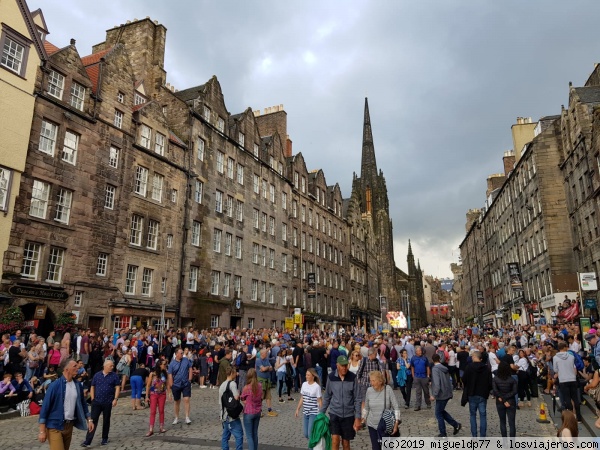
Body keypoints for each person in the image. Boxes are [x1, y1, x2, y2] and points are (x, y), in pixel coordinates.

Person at [38, 359, 93, 450]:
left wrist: (89, 420)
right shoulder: (54, 385)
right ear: (66, 369)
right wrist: (42, 431)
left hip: (69, 425)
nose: (77, 368)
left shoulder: (77, 385)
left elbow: (83, 403)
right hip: (54, 426)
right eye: (74, 366)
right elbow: (45, 408)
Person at [320, 355, 362, 450]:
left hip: (348, 415)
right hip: (335, 414)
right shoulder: (331, 378)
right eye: (342, 366)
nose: (344, 368)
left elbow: (358, 399)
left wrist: (358, 417)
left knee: (346, 443)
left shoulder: (352, 377)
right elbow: (327, 397)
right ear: (337, 365)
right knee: (335, 440)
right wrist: (321, 413)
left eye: (346, 365)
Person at [81, 359, 121, 447]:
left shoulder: (114, 376)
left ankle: (104, 438)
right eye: (110, 366)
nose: (112, 367)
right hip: (97, 401)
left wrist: (115, 399)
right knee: (93, 420)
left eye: (112, 366)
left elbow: (117, 387)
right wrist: (92, 398)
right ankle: (88, 440)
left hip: (108, 401)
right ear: (105, 366)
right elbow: (92, 386)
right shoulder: (97, 375)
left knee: (106, 420)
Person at [363, 371, 400, 450]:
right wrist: (363, 419)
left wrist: (396, 424)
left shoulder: (388, 389)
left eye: (373, 381)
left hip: (386, 426)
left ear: (380, 381)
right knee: (376, 448)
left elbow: (396, 407)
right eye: (370, 381)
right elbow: (366, 408)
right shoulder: (369, 390)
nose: (371, 383)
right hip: (372, 425)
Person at [462, 351, 492, 438]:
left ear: (475, 357)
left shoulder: (469, 367)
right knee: (483, 415)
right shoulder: (486, 368)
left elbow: (464, 379)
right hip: (482, 394)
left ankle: (474, 436)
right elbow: (490, 382)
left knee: (472, 415)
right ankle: (483, 436)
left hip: (472, 393)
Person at [430, 353, 461, 438]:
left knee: (438, 413)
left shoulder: (435, 369)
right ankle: (456, 425)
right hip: (447, 392)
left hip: (441, 394)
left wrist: (434, 395)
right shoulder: (444, 368)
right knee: (441, 411)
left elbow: (437, 384)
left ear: (433, 360)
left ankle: (443, 433)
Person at [553, 341, 582, 422]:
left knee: (567, 399)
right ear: (565, 347)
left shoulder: (555, 358)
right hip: (572, 379)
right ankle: (578, 417)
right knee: (575, 398)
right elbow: (573, 366)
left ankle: (570, 416)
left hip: (563, 379)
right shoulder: (571, 356)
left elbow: (555, 369)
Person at [295, 368, 322, 449]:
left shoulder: (317, 387)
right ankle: (314, 443)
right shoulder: (304, 384)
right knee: (306, 434)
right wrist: (297, 409)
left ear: (313, 376)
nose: (306, 376)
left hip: (313, 413)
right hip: (305, 412)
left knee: (310, 434)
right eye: (306, 375)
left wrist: (321, 413)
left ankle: (311, 447)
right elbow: (302, 398)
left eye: (308, 375)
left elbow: (319, 400)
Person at [219, 366, 243, 450]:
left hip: (223, 414)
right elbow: (236, 398)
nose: (236, 374)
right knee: (239, 435)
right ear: (232, 373)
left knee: (225, 436)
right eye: (235, 372)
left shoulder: (222, 385)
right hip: (231, 415)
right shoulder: (232, 384)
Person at [168, 347, 193, 425]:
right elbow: (170, 374)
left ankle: (187, 417)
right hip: (176, 384)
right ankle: (176, 417)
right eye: (181, 353)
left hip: (185, 383)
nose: (182, 354)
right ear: (176, 354)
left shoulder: (186, 360)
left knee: (186, 399)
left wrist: (190, 378)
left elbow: (190, 368)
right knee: (177, 401)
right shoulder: (172, 364)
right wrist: (171, 385)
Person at [492, 362, 518, 438]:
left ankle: (505, 442)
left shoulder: (495, 379)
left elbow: (495, 391)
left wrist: (503, 399)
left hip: (500, 402)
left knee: (502, 422)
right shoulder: (512, 379)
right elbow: (515, 391)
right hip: (511, 401)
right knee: (512, 423)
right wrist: (506, 399)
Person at [145, 359, 168, 436]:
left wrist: (169, 393)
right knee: (153, 411)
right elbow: (148, 385)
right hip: (153, 394)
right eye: (163, 364)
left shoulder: (165, 373)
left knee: (161, 410)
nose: (165, 366)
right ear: (159, 365)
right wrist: (146, 396)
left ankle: (161, 427)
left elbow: (167, 384)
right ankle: (151, 429)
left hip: (162, 394)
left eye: (165, 364)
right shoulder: (152, 374)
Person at [241, 368, 262, 450]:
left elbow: (242, 398)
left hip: (249, 412)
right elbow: (261, 397)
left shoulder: (246, 387)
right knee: (255, 433)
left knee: (249, 435)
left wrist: (247, 402)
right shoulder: (260, 385)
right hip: (257, 411)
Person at [255, 348, 278, 416]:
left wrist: (266, 368)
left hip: (267, 380)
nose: (267, 354)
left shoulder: (266, 359)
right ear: (262, 354)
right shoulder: (258, 360)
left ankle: (269, 410)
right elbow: (263, 369)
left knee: (268, 396)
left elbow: (271, 368)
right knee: (261, 396)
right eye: (266, 353)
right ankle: (259, 410)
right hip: (261, 381)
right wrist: (267, 368)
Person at [410, 346, 431, 411]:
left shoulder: (425, 358)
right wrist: (413, 375)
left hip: (424, 377)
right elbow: (412, 367)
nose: (420, 352)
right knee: (418, 392)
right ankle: (418, 405)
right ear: (416, 352)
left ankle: (428, 403)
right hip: (417, 376)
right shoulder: (413, 358)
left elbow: (427, 367)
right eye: (419, 351)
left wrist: (428, 375)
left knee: (426, 391)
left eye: (421, 351)